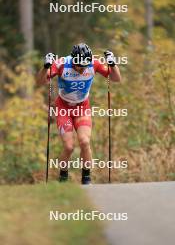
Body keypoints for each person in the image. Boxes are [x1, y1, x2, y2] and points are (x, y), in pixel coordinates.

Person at [37, 43, 121, 184]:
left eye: (84, 66)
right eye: (79, 66)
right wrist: (45, 67)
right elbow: (40, 82)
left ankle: (86, 179)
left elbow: (116, 79)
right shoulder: (62, 64)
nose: (82, 69)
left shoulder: (94, 63)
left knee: (85, 141)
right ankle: (63, 178)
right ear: (73, 60)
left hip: (82, 107)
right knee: (69, 147)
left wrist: (113, 64)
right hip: (63, 107)